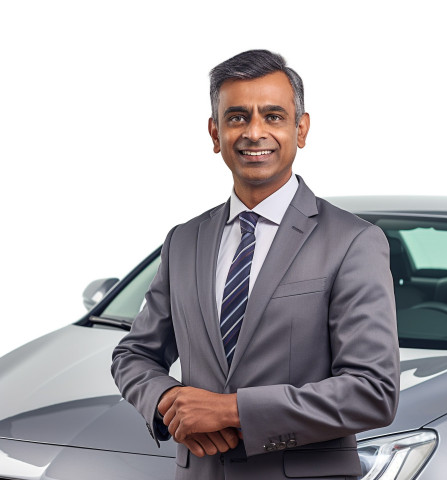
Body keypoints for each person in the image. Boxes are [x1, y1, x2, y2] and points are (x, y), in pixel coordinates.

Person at [111, 49, 400, 480]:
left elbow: (372, 392)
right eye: (237, 117)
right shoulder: (183, 241)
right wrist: (169, 403)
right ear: (215, 134)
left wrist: (229, 410)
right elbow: (134, 353)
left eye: (273, 116)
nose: (254, 132)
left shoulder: (353, 242)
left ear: (301, 129)